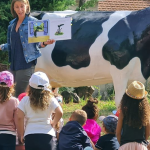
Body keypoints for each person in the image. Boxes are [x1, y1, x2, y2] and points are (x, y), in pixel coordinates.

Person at [0, 0, 55, 97]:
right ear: (13, 8)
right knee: (8, 94)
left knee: (19, 95)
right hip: (13, 65)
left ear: (27, 6)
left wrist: (44, 43)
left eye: (22, 6)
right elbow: (10, 45)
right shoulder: (11, 25)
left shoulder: (33, 22)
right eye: (17, 7)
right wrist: (1, 47)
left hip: (26, 65)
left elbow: (38, 43)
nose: (20, 9)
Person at [17, 71, 63, 150]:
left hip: (30, 135)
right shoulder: (51, 99)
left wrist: (21, 133)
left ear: (30, 86)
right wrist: (53, 123)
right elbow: (60, 112)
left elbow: (19, 117)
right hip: (47, 134)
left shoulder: (25, 100)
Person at [116, 81, 150, 150]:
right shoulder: (145, 113)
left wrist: (122, 145)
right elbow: (147, 132)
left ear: (126, 97)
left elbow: (118, 133)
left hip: (125, 145)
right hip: (141, 145)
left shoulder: (123, 112)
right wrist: (143, 143)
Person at [0, 71, 19, 150]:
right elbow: (18, 120)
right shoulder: (14, 101)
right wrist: (21, 135)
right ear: (12, 86)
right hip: (9, 135)